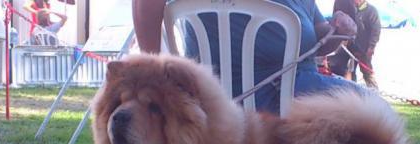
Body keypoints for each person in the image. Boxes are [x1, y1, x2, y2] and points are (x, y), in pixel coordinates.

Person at [131, 0, 361, 112]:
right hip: (268, 96)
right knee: (370, 107)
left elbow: (317, 39)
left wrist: (339, 30)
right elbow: (146, 4)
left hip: (297, 88)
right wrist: (153, 73)